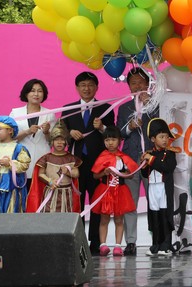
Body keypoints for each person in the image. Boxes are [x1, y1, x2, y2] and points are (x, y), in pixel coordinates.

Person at [62, 71, 115, 254]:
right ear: (77, 88)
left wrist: (102, 128)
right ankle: (76, 241)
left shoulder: (106, 108)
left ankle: (94, 242)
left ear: (97, 87)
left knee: (96, 203)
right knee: (76, 203)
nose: (87, 88)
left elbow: (113, 136)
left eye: (90, 85)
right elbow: (61, 137)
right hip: (75, 165)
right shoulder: (68, 109)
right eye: (83, 85)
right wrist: (70, 135)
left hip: (98, 166)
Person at [117, 68, 158, 256]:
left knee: (155, 203)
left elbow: (163, 128)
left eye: (141, 82)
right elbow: (119, 133)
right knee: (130, 204)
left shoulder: (158, 104)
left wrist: (150, 107)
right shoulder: (124, 108)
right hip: (131, 161)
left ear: (148, 84)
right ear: (129, 87)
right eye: (133, 83)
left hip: (152, 161)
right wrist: (129, 126)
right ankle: (131, 242)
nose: (138, 86)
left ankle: (157, 240)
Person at [91, 126, 139, 257]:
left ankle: (118, 246)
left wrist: (123, 173)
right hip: (105, 191)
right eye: (107, 140)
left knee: (119, 220)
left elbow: (131, 174)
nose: (110, 143)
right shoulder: (102, 156)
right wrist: (104, 172)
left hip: (120, 192)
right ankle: (103, 245)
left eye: (113, 139)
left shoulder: (124, 157)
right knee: (104, 219)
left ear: (119, 141)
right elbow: (95, 175)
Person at [10, 79, 56, 189]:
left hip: (42, 161)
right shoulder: (15, 113)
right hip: (20, 161)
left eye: (40, 91)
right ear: (26, 93)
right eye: (32, 91)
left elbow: (53, 142)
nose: (36, 94)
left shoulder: (49, 114)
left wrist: (46, 132)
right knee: (21, 199)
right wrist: (27, 132)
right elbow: (9, 138)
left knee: (39, 198)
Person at [141, 118, 178, 257]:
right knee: (154, 216)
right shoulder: (150, 153)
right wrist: (144, 164)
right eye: (161, 137)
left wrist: (150, 160)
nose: (165, 140)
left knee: (164, 216)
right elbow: (145, 174)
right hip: (152, 188)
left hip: (163, 188)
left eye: (166, 137)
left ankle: (166, 244)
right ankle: (155, 244)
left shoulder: (170, 154)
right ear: (152, 138)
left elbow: (166, 167)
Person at [26, 122, 82, 213]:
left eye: (62, 139)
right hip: (51, 192)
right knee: (49, 217)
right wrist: (50, 181)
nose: (59, 142)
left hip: (67, 194)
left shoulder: (71, 158)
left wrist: (68, 172)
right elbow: (40, 174)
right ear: (52, 141)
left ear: (66, 142)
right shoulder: (46, 158)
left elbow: (76, 173)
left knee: (66, 217)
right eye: (56, 140)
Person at [0, 116, 31, 213]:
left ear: (10, 130)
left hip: (12, 185)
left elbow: (24, 165)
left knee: (12, 209)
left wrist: (10, 163)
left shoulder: (19, 148)